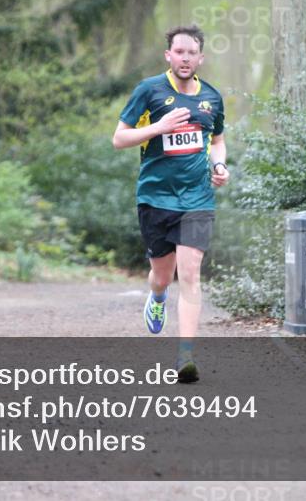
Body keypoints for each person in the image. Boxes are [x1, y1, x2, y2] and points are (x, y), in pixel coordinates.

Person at [112, 24, 229, 383]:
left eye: (191, 53)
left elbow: (218, 140)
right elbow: (119, 138)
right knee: (163, 275)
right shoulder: (149, 91)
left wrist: (220, 165)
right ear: (169, 55)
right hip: (155, 197)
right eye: (179, 52)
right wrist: (158, 127)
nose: (185, 58)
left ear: (200, 57)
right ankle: (158, 296)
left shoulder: (211, 98)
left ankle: (185, 355)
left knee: (190, 274)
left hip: (197, 198)